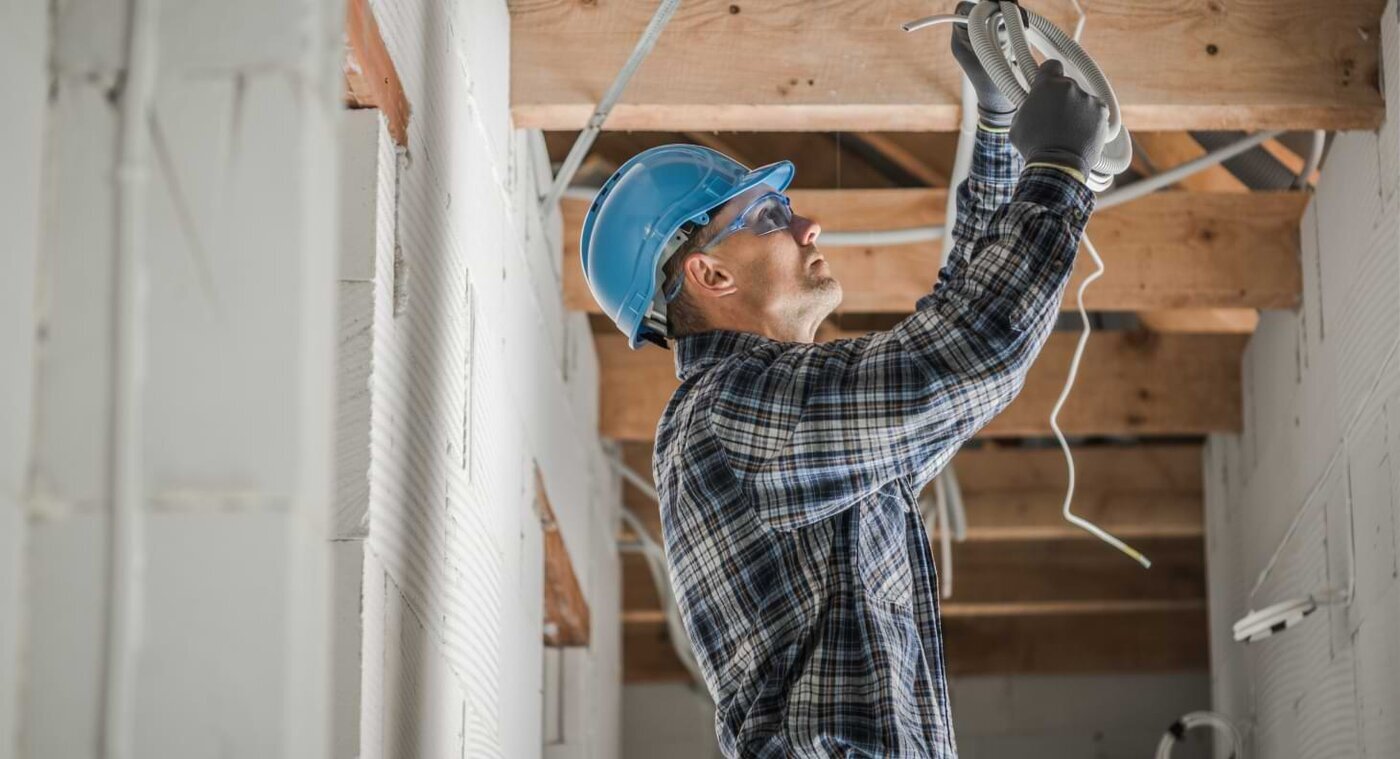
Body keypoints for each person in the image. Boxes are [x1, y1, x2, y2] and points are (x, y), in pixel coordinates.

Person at [579, 8, 1109, 756]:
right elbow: (970, 354)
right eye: (769, 216)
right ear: (711, 272)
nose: (808, 228)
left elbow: (955, 322)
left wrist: (999, 127)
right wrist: (1055, 169)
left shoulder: (788, 431)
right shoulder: (729, 414)